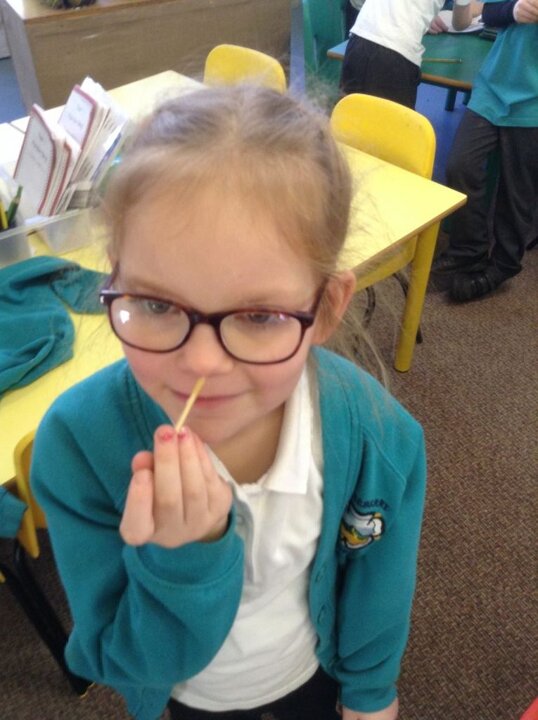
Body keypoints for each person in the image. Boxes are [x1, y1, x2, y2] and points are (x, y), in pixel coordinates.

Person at [31, 85, 426, 720]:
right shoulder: (78, 446)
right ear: (114, 280)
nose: (202, 364)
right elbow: (117, 658)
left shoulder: (379, 436)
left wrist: (371, 692)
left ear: (326, 308)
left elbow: (379, 587)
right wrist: (183, 559)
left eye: (260, 316)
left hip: (311, 679)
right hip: (190, 698)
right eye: (156, 304)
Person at [431, 0, 538, 301]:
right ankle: (469, 249)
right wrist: (513, 10)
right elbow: (487, 10)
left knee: (517, 191)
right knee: (460, 165)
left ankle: (504, 264)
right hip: (493, 87)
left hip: (533, 104)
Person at [340, 0, 478, 107]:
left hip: (359, 40)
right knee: (389, 130)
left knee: (347, 121)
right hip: (396, 54)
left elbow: (357, 2)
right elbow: (460, 23)